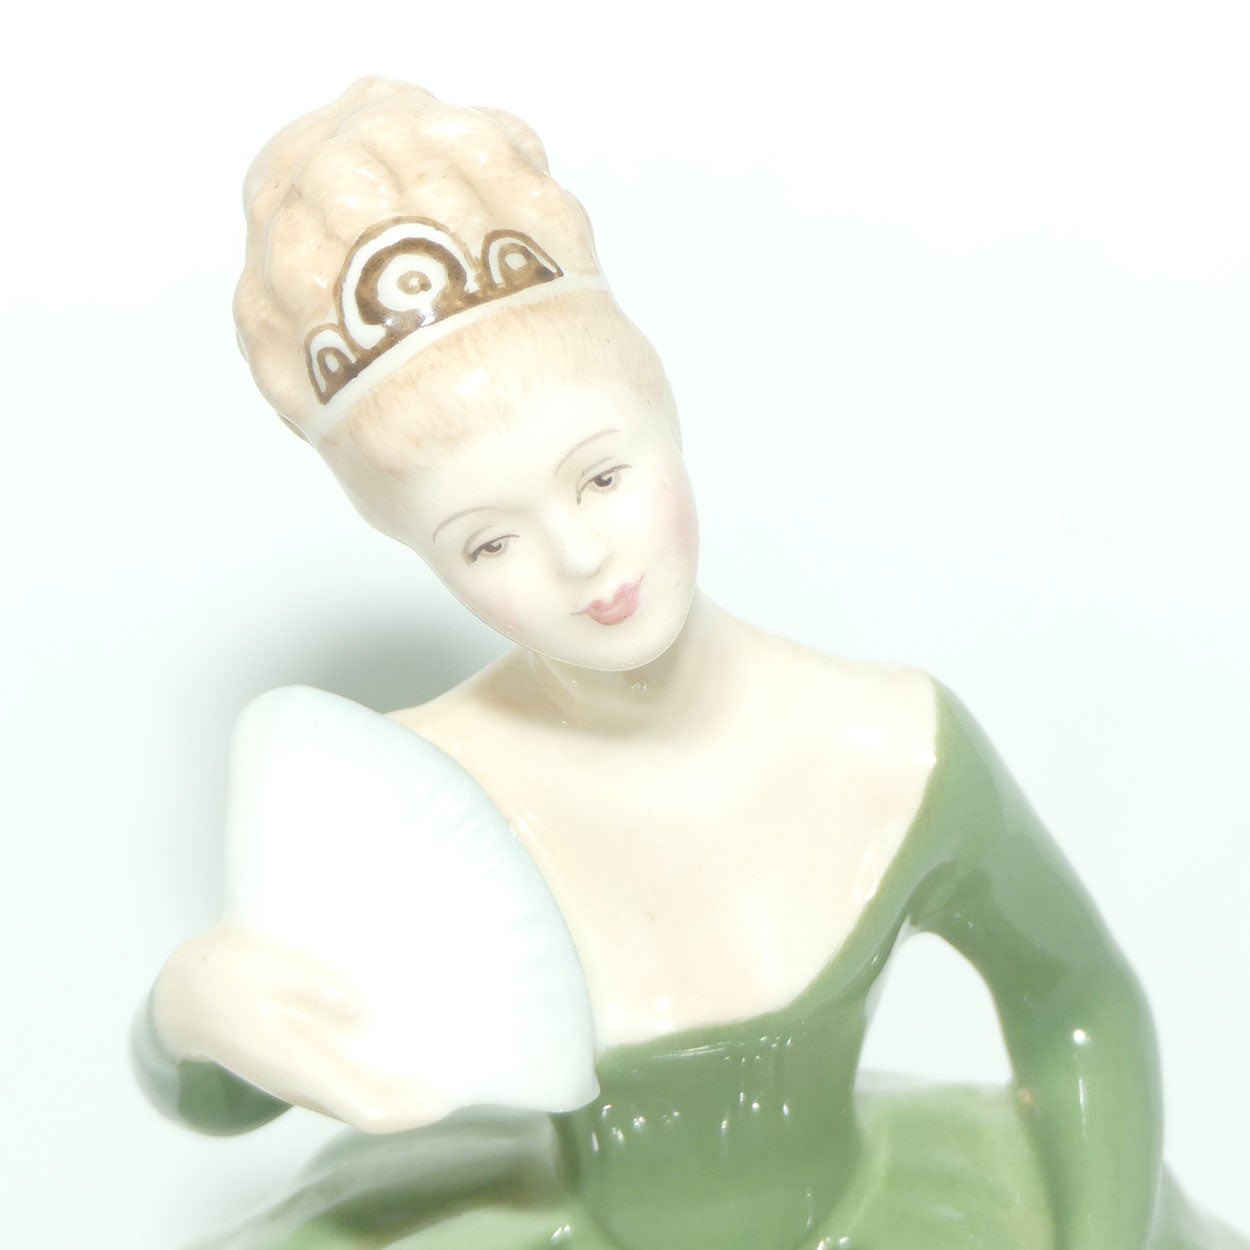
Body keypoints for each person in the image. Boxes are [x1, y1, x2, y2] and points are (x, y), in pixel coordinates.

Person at [134, 78, 1248, 1250]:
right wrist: (188, 1011)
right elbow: (223, 1093)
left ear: (664, 420)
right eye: (488, 540)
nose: (579, 556)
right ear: (427, 557)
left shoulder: (892, 746)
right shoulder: (419, 797)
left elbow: (1074, 1000)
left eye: (601, 476)